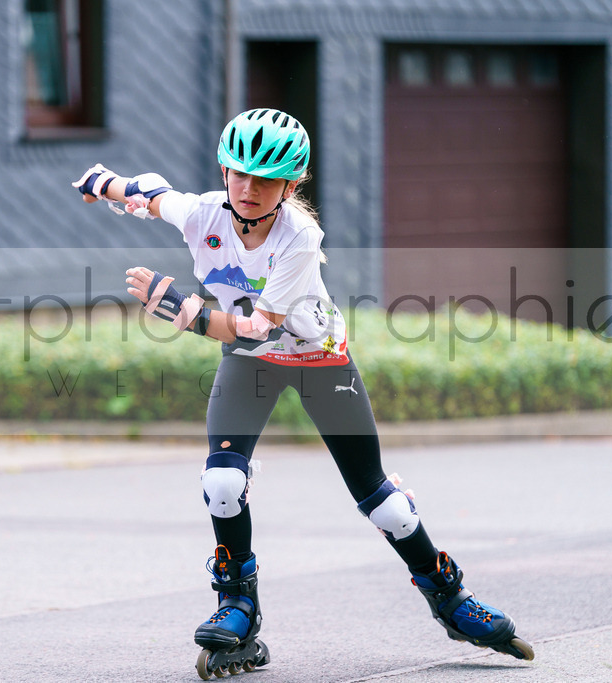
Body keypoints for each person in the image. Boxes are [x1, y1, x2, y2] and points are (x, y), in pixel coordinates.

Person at [73, 108, 533, 678]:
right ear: (222, 170)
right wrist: (102, 183)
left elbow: (256, 325)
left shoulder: (300, 236)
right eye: (238, 173)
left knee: (382, 502)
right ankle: (237, 606)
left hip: (317, 359)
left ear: (291, 185)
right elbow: (150, 191)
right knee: (221, 481)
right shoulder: (201, 214)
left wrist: (184, 310)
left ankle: (451, 597)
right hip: (251, 364)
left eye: (266, 179)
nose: (248, 188)